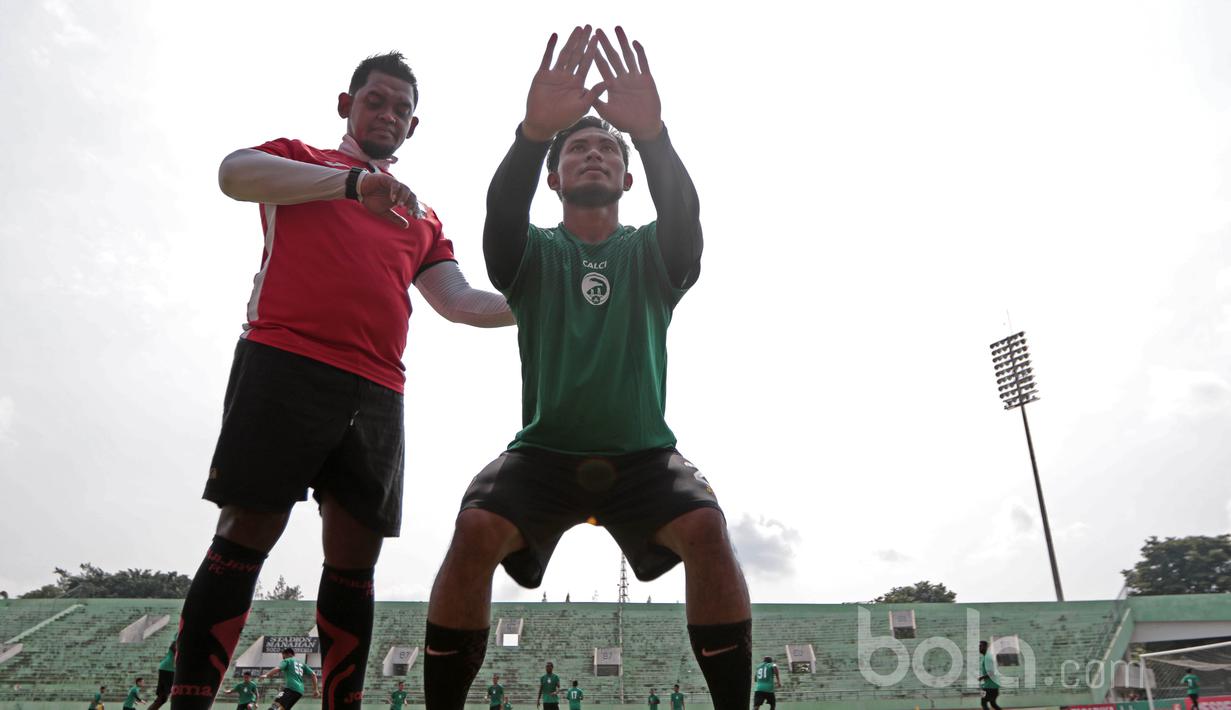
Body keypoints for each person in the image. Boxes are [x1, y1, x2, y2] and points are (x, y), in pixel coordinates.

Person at [421, 25, 751, 710]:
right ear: (555, 175)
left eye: (607, 148)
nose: (594, 154)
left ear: (628, 176)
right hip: (541, 454)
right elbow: (499, 216)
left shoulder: (653, 254)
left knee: (706, 529)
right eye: (579, 148)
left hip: (643, 456)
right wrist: (532, 132)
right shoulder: (531, 257)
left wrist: (654, 135)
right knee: (475, 527)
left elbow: (686, 219)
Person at [172, 50, 513, 710]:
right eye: (375, 101)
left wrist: (539, 303)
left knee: (355, 557)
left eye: (400, 109)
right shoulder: (299, 162)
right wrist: (350, 185)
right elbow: (232, 174)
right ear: (346, 106)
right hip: (284, 362)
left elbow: (461, 302)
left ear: (413, 128)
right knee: (248, 529)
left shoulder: (422, 216)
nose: (387, 114)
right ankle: (190, 699)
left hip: (378, 388)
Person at [148, 636, 176, 710]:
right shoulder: (177, 642)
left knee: (163, 698)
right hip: (169, 669)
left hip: (169, 669)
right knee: (163, 697)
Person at [977, 641, 1001, 710]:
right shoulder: (986, 657)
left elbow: (992, 673)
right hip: (989, 686)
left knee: (983, 703)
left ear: (985, 647)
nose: (979, 648)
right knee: (993, 704)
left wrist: (981, 677)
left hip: (990, 687)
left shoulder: (988, 657)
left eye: (980, 646)